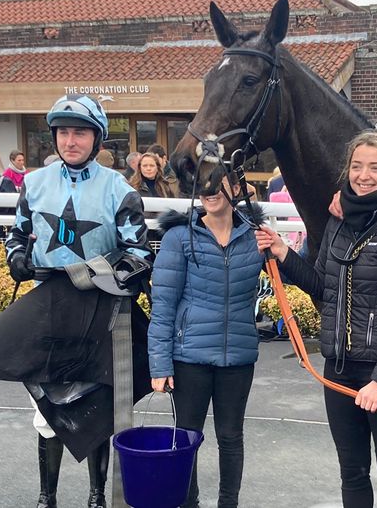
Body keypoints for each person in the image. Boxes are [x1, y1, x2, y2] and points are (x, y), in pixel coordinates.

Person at [257, 131, 377, 507]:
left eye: (375, 167)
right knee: (351, 474)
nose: (363, 175)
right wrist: (283, 252)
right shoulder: (338, 223)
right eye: (356, 166)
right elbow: (323, 286)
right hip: (338, 369)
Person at [4, 94, 152, 508]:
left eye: (80, 132)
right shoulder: (33, 183)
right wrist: (16, 258)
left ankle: (96, 496)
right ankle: (46, 497)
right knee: (46, 409)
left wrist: (96, 278)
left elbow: (140, 257)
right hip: (47, 307)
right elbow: (16, 235)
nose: (71, 140)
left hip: (100, 311)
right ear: (54, 137)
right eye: (64, 132)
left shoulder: (119, 189)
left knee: (96, 405)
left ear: (97, 139)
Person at [148, 165, 265, 508]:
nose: (210, 190)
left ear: (235, 185)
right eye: (202, 184)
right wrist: (159, 364)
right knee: (186, 438)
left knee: (231, 437)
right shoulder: (178, 237)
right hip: (189, 357)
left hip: (238, 356)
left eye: (218, 182)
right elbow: (163, 305)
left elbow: (294, 270)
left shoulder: (255, 234)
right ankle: (188, 503)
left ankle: (229, 503)